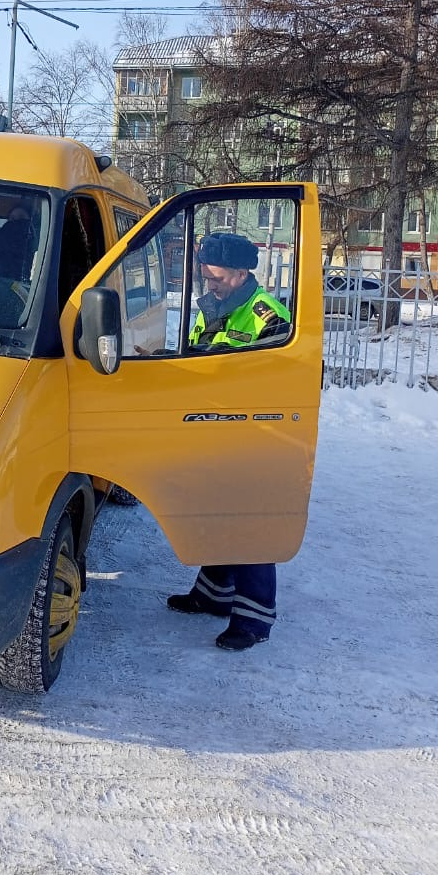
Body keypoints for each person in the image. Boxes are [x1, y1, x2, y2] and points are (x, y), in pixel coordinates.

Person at [169, 231, 292, 652]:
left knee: (252, 525)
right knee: (218, 516)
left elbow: (279, 384)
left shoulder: (267, 316)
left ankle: (255, 619)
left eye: (216, 275)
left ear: (242, 273)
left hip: (256, 438)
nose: (209, 282)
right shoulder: (214, 306)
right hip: (217, 430)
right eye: (205, 275)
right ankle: (214, 594)